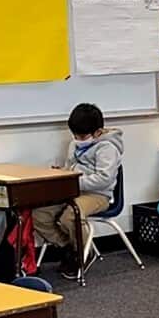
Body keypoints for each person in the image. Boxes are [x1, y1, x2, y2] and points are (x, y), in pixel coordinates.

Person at [33, 104, 123, 279]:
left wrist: (74, 182)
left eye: (81, 136)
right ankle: (70, 248)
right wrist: (62, 173)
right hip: (74, 191)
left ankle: (83, 255)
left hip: (99, 195)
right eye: (74, 135)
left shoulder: (107, 148)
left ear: (98, 132)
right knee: (39, 214)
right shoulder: (74, 144)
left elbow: (104, 179)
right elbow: (71, 167)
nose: (77, 139)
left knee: (71, 215)